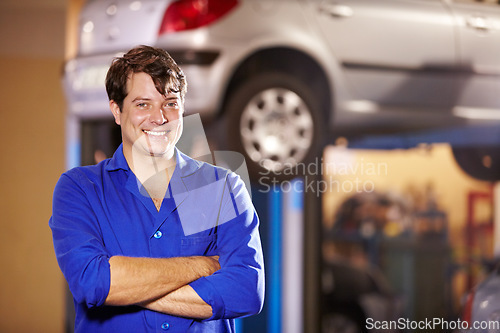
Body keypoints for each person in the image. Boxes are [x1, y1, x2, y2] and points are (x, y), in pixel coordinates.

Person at [49, 45, 265, 332]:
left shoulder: (223, 187)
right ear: (117, 110)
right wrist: (203, 266)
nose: (159, 117)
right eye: (142, 104)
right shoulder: (80, 189)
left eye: (171, 103)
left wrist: (126, 288)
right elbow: (94, 283)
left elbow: (245, 291)